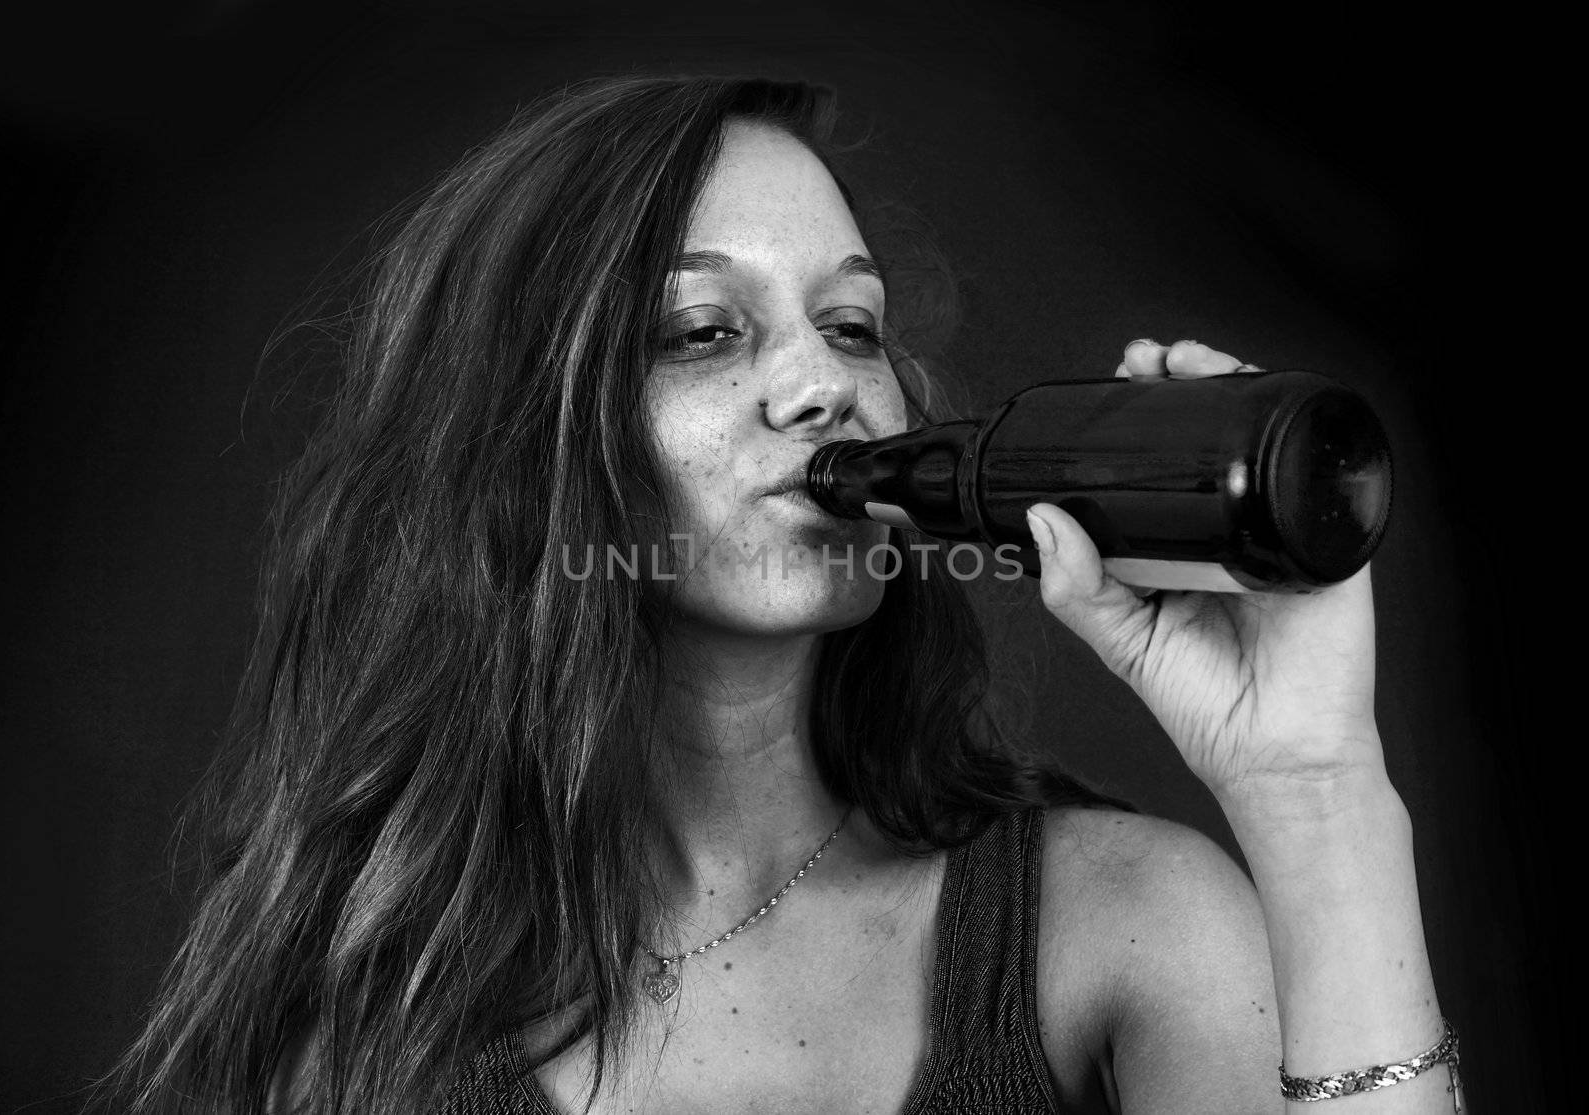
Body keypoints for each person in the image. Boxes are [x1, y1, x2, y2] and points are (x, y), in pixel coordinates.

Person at [108, 75, 1461, 1113]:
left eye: (854, 324)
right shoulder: (361, 996)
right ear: (523, 439)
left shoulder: (1122, 929)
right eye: (705, 331)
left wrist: (1316, 790)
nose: (825, 386)